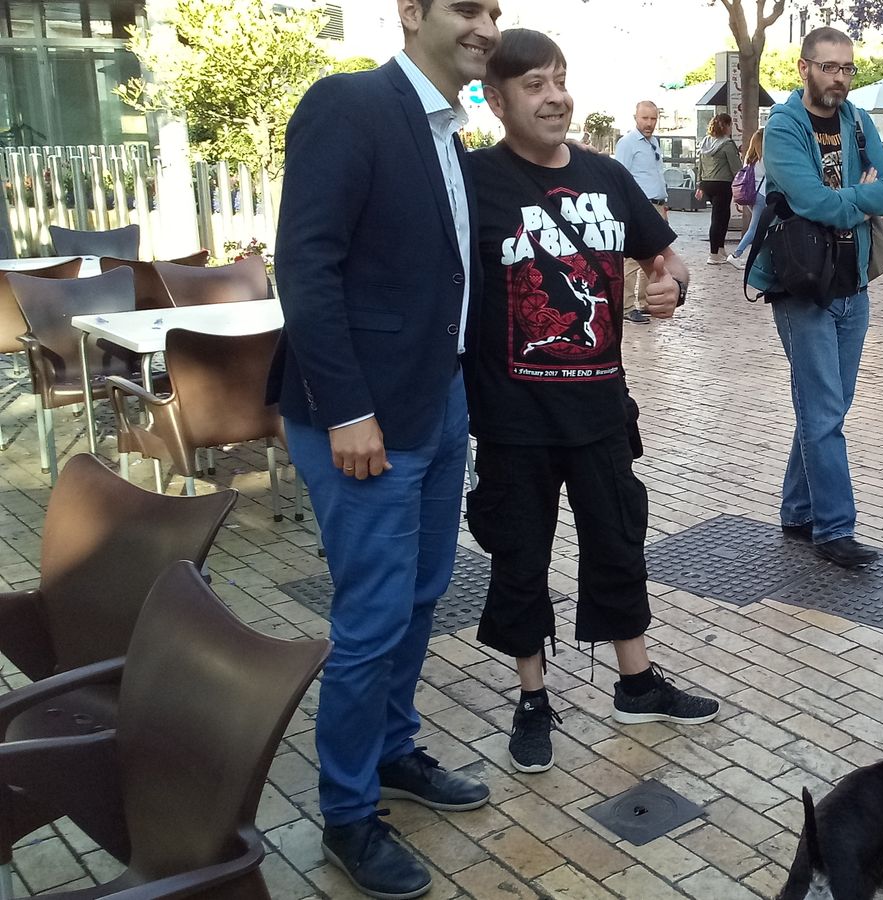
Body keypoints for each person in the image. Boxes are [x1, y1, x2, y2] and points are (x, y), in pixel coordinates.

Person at [268, 0, 502, 895]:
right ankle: (347, 812)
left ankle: (395, 750)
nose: (483, 25)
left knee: (422, 593)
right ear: (411, 13)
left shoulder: (450, 131)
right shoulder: (350, 103)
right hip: (361, 416)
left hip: (437, 403)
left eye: (493, 10)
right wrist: (346, 410)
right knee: (371, 615)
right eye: (465, 7)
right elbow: (306, 266)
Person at [463, 29, 719, 778]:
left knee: (619, 543)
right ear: (496, 98)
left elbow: (667, 266)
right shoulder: (471, 178)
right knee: (520, 557)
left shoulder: (609, 177)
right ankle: (533, 695)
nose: (555, 96)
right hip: (513, 419)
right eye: (535, 84)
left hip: (603, 409)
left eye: (561, 79)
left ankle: (635, 682)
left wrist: (672, 289)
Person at [745, 26, 883, 568]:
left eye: (847, 68)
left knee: (827, 409)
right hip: (802, 287)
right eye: (829, 67)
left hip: (852, 286)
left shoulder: (858, 120)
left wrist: (847, 198)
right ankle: (833, 529)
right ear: (804, 68)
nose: (839, 78)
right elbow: (811, 200)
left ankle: (796, 510)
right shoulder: (783, 127)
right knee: (824, 413)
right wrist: (860, 198)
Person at [613, 99, 669, 324]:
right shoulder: (628, 143)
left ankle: (648, 301)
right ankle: (627, 306)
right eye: (645, 118)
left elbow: (657, 173)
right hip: (638, 206)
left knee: (656, 256)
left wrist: (664, 205)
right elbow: (620, 175)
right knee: (633, 259)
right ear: (635, 117)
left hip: (656, 205)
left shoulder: (653, 142)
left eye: (653, 118)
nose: (649, 123)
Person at [696, 112, 742, 265]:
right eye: (730, 125)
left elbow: (699, 165)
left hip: (707, 183)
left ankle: (720, 249)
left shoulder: (705, 142)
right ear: (727, 126)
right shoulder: (727, 145)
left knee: (721, 216)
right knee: (719, 219)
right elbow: (736, 167)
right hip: (722, 184)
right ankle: (713, 254)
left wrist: (700, 184)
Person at [731, 127, 767, 261]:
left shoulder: (749, 159)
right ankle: (736, 255)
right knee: (754, 228)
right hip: (762, 195)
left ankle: (760, 256)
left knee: (762, 228)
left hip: (752, 195)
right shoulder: (764, 160)